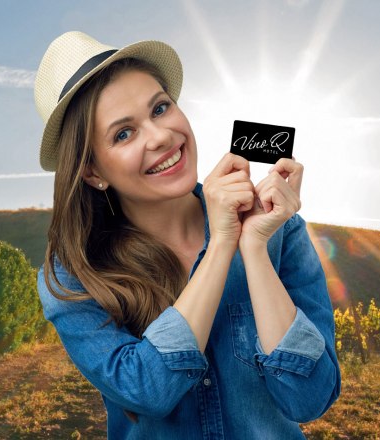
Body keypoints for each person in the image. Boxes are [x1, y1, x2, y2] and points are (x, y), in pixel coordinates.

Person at [33, 31, 340, 439]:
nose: (160, 136)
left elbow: (310, 399)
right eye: (123, 134)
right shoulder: (71, 279)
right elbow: (147, 390)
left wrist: (252, 248)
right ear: (92, 172)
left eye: (160, 108)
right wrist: (221, 246)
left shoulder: (279, 230)